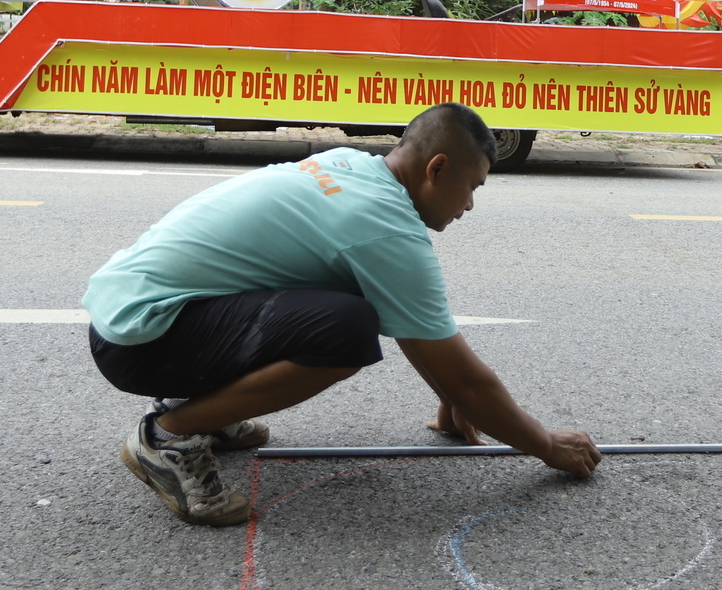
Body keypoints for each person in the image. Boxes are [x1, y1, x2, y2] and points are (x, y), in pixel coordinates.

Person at [81, 102, 601, 526]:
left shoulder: (350, 165)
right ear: (436, 168)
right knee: (346, 330)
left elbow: (433, 349)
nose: (469, 206)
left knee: (341, 304)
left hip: (140, 316)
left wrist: (450, 392)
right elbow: (465, 378)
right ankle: (169, 435)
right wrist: (547, 445)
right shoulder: (385, 229)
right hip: (144, 341)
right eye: (473, 186)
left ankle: (207, 410)